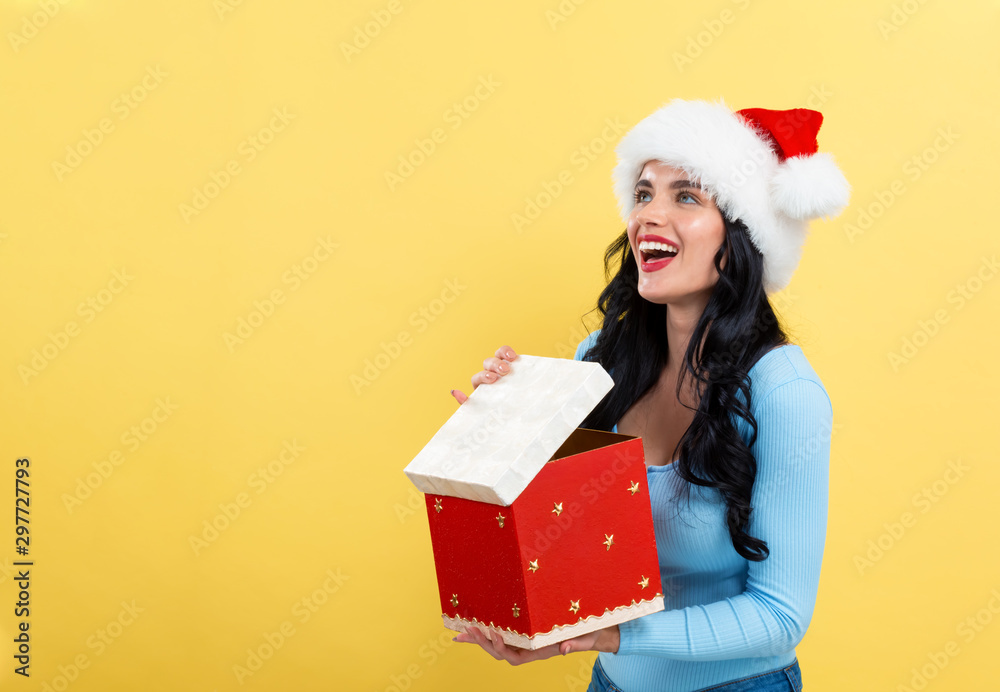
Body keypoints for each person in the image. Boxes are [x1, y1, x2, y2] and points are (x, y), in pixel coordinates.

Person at [449, 98, 850, 692]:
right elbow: (565, 531)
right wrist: (504, 424)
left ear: (741, 235)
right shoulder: (600, 359)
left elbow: (780, 617)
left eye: (686, 196)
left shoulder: (785, 393)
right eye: (643, 194)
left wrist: (612, 634)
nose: (648, 217)